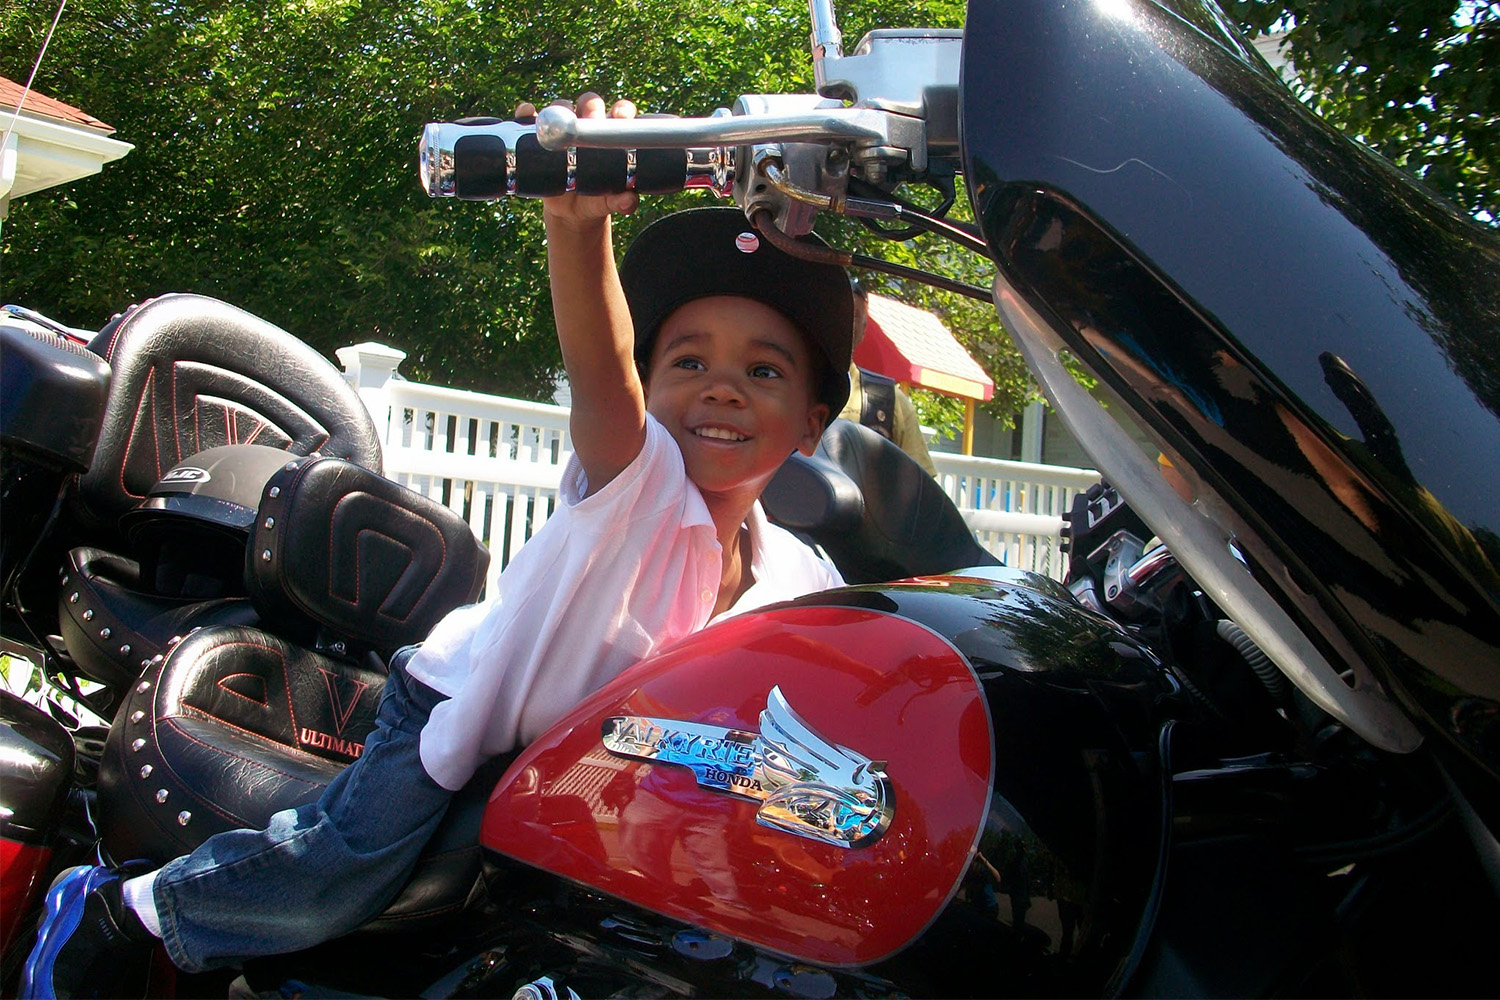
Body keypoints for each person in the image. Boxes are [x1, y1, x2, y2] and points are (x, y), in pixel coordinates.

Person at [21, 93, 851, 999]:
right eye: (687, 362)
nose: (721, 389)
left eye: (762, 371)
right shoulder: (642, 488)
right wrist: (577, 231)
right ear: (648, 393)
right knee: (341, 867)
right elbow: (601, 372)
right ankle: (125, 913)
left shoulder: (799, 577)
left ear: (812, 424)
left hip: (575, 773)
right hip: (457, 712)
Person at [837, 280, 938, 476]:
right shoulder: (791, 390)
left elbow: (920, 485)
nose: (842, 321)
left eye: (853, 315)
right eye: (836, 311)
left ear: (864, 329)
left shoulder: (888, 400)